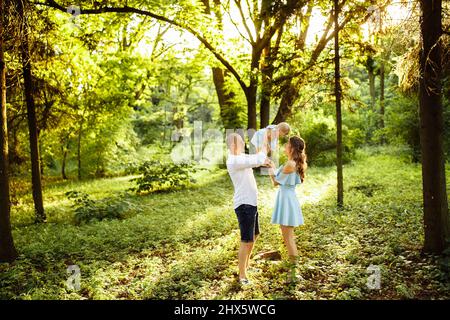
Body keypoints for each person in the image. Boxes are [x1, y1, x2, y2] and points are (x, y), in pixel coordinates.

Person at [226, 132, 270, 285]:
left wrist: (264, 159)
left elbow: (257, 158)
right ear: (233, 145)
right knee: (246, 240)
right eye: (240, 143)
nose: (243, 145)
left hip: (251, 203)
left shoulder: (240, 157)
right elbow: (257, 159)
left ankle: (245, 265)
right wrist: (264, 141)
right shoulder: (234, 160)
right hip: (244, 205)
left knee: (255, 235)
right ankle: (242, 275)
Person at [267, 136, 307, 283]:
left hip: (287, 199)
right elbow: (275, 182)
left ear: (292, 148)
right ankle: (293, 272)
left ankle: (294, 274)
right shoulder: (291, 163)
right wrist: (272, 168)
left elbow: (276, 181)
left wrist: (271, 169)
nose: (284, 146)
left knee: (289, 239)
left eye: (287, 144)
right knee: (287, 238)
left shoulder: (290, 164)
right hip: (286, 197)